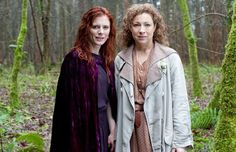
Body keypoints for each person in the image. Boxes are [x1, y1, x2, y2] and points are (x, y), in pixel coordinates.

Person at [115, 3, 193, 152]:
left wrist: (180, 142)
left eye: (147, 24)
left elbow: (180, 102)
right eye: (136, 25)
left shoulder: (170, 58)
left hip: (159, 130)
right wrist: (114, 134)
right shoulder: (121, 60)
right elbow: (116, 102)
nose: (142, 30)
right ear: (130, 28)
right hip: (128, 132)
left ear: (155, 26)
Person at [50, 6, 117, 152]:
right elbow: (67, 107)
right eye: (96, 27)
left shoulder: (108, 62)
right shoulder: (74, 59)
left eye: (105, 27)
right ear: (87, 29)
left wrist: (112, 129)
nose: (101, 32)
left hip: (103, 125)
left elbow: (108, 100)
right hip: (80, 130)